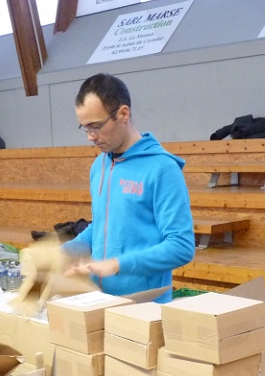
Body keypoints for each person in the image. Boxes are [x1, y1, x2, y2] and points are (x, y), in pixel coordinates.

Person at [63, 73, 194, 304]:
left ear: (123, 114)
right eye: (85, 128)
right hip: (99, 301)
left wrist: (118, 265)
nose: (91, 136)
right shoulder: (99, 166)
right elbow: (102, 227)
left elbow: (181, 247)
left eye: (96, 126)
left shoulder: (162, 168)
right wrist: (67, 250)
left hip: (145, 307)